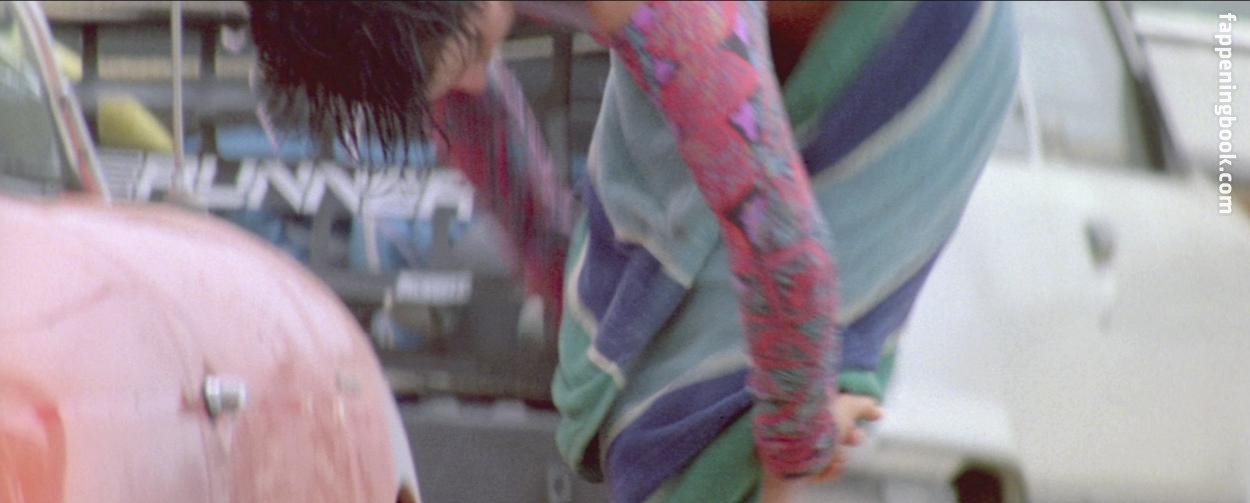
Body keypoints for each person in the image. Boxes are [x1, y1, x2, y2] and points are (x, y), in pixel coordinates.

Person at [245, 1, 1018, 501]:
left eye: (471, 53)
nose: (477, 75)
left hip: (917, 45)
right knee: (641, 377)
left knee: (708, 427)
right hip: (755, 54)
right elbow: (479, 115)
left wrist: (794, 446)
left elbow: (783, 245)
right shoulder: (429, 18)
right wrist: (564, 280)